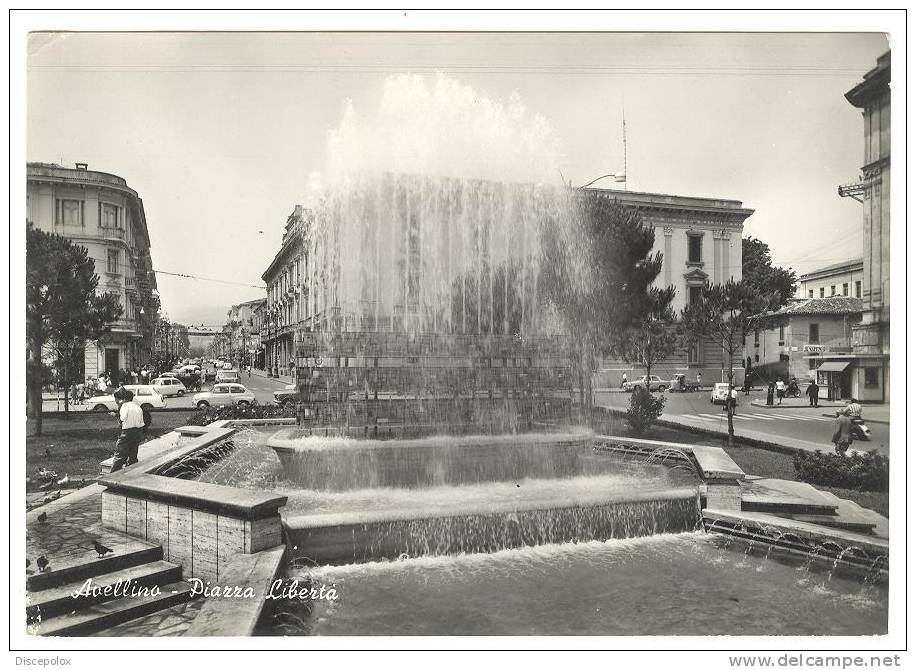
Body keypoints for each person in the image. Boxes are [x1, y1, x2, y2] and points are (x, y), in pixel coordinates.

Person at [111, 387, 145, 472]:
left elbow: (123, 418)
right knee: (133, 453)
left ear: (124, 399)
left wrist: (117, 416)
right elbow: (142, 422)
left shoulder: (124, 406)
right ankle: (132, 472)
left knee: (120, 454)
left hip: (127, 432)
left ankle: (113, 474)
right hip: (138, 432)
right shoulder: (138, 407)